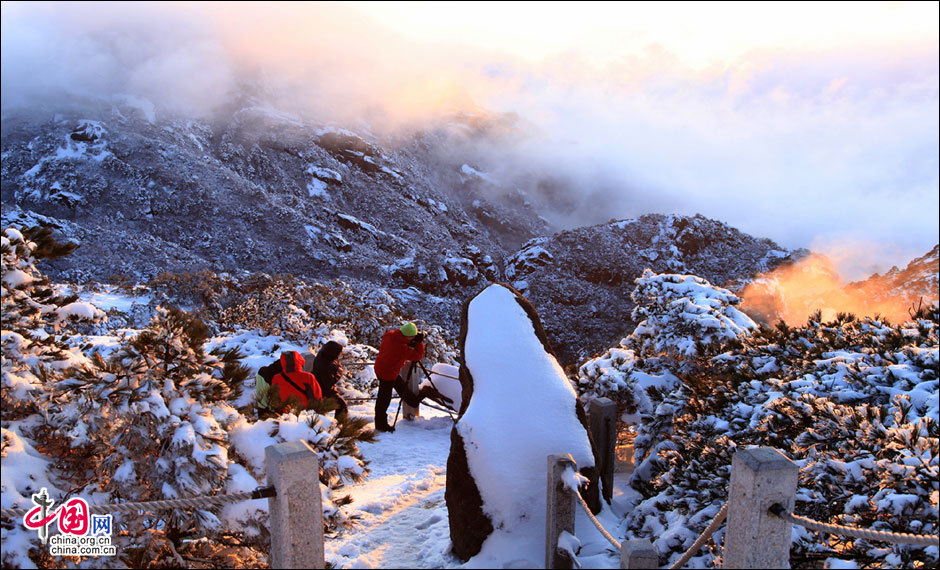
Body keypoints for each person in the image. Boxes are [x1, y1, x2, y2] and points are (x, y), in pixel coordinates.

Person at [373, 322, 450, 432]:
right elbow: (417, 356)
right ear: (407, 336)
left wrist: (411, 341)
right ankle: (381, 425)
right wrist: (419, 343)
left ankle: (414, 400)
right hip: (388, 374)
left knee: (400, 390)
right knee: (383, 400)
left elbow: (401, 342)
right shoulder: (400, 348)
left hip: (381, 368)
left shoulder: (389, 335)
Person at [306, 340, 349, 421]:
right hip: (325, 391)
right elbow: (328, 382)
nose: (341, 353)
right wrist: (339, 373)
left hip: (320, 387)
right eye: (339, 352)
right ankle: (340, 426)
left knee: (341, 405)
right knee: (341, 405)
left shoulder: (324, 355)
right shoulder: (326, 364)